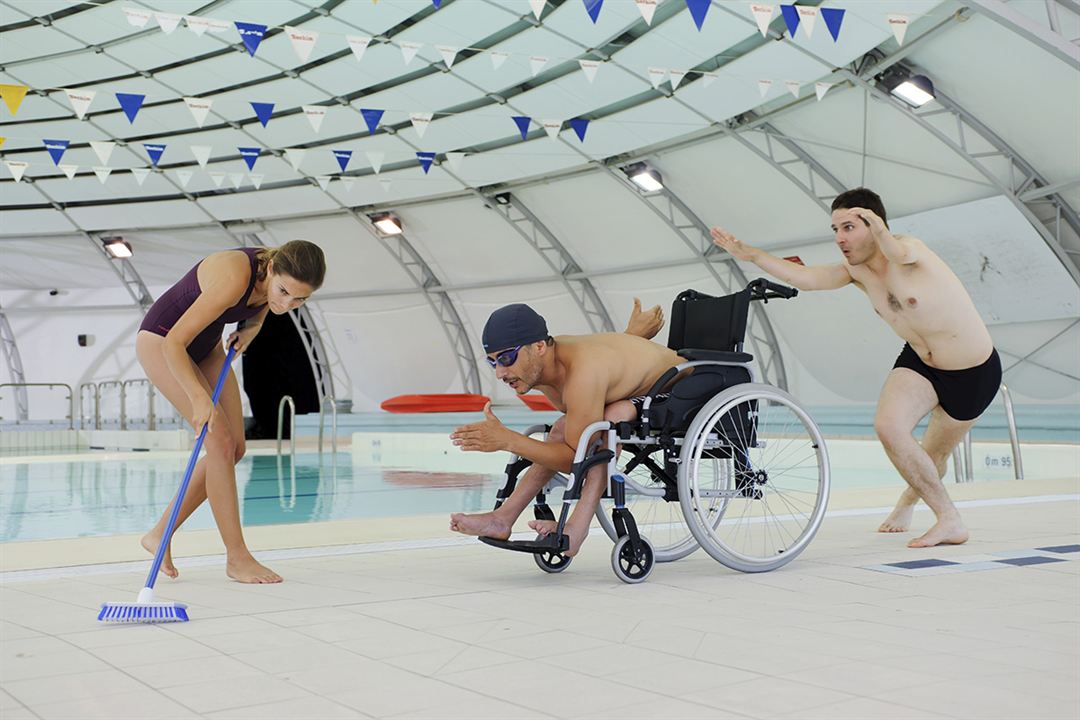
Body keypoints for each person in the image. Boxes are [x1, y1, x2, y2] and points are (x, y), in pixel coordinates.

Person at [711, 187, 1000, 548]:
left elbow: (895, 250)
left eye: (849, 227)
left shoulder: (911, 250)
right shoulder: (857, 271)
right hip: (920, 362)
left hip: (972, 370)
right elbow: (807, 279)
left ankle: (907, 503)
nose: (840, 238)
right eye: (835, 230)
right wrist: (749, 253)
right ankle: (949, 519)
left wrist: (881, 231)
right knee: (888, 427)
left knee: (934, 455)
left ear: (873, 223)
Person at [136, 240, 326, 582]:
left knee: (235, 448)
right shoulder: (234, 275)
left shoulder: (272, 279)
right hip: (162, 344)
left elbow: (263, 306)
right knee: (219, 444)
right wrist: (198, 398)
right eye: (283, 292)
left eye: (300, 299)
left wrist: (251, 329)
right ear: (271, 269)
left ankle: (159, 535)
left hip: (206, 350)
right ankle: (237, 558)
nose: (287, 304)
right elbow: (174, 342)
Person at [448, 300, 681, 556]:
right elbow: (610, 356)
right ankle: (502, 518)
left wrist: (509, 441)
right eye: (493, 362)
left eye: (506, 358)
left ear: (538, 347)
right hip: (635, 381)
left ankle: (576, 529)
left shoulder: (581, 373)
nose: (500, 373)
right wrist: (631, 336)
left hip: (677, 387)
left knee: (609, 422)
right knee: (563, 428)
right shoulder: (543, 366)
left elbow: (576, 460)